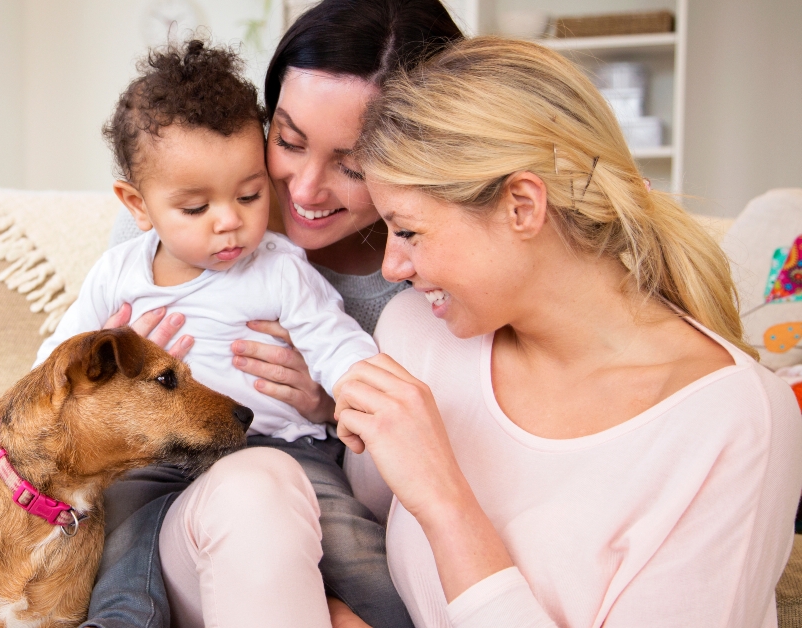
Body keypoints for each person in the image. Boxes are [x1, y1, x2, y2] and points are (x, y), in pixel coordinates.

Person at [333, 36, 802, 627]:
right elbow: (359, 556)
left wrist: (446, 502)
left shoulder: (732, 421)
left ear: (522, 205)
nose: (392, 269)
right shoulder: (416, 336)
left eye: (408, 232)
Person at [90, 3, 462, 627]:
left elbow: (401, 443)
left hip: (297, 467)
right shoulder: (151, 243)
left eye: (353, 166)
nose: (306, 190)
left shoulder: (420, 283)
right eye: (287, 141)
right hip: (177, 487)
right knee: (130, 544)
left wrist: (328, 403)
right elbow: (65, 370)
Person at [39, 39, 402, 628]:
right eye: (194, 207)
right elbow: (50, 369)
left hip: (284, 448)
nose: (229, 220)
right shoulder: (120, 275)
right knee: (125, 548)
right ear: (138, 205)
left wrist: (352, 391)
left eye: (250, 194)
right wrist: (95, 363)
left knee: (355, 547)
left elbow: (335, 342)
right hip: (152, 458)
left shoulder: (280, 269)